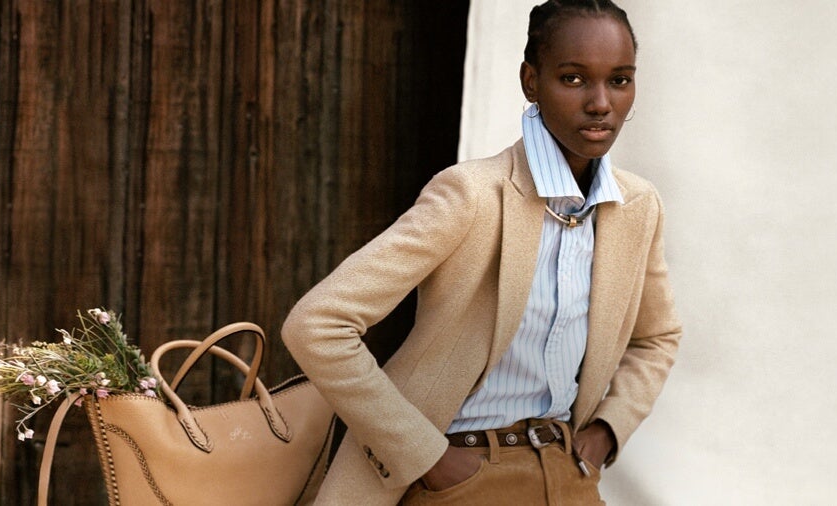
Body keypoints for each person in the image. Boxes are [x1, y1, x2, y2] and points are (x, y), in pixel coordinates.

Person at [281, 1, 681, 504]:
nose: (601, 102)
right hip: (462, 475)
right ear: (531, 82)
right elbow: (317, 324)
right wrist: (428, 456)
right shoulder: (471, 196)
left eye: (619, 80)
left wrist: (607, 429)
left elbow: (657, 336)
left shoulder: (637, 207)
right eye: (574, 79)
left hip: (571, 476)